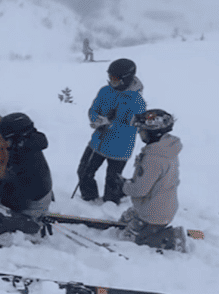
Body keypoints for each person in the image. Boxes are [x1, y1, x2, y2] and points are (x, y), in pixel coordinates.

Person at [77, 58, 146, 204]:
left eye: (115, 79)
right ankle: (88, 201)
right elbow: (93, 109)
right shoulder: (105, 91)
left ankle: (111, 204)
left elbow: (133, 126)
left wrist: (109, 123)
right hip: (97, 143)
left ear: (126, 79)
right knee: (84, 172)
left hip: (120, 148)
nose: (111, 81)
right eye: (110, 77)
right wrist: (96, 119)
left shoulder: (137, 102)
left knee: (112, 181)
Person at [118, 109, 185, 252]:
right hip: (162, 203)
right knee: (128, 227)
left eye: (142, 130)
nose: (139, 133)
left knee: (131, 239)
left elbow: (140, 190)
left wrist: (123, 186)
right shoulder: (166, 149)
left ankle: (173, 237)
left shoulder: (154, 158)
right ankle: (140, 216)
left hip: (155, 213)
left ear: (154, 133)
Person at [0, 113, 53, 237]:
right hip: (29, 195)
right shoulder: (23, 149)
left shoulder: (26, 161)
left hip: (30, 208)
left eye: (5, 138)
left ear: (17, 138)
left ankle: (32, 226)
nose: (3, 141)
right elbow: (9, 173)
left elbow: (15, 202)